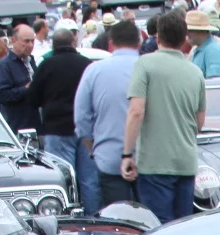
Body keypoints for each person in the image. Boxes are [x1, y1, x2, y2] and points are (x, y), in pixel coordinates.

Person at [122, 9, 207, 223]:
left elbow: (136, 111)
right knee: (183, 225)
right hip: (186, 161)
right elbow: (199, 122)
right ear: (184, 38)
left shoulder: (145, 64)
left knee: (157, 226)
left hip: (155, 162)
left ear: (157, 37)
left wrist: (127, 154)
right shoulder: (195, 72)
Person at [77, 16, 141, 211]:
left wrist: (92, 147)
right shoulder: (149, 68)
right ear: (139, 42)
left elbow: (81, 117)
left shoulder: (94, 71)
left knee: (118, 217)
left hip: (109, 156)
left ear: (111, 43)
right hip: (148, 157)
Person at [30, 27, 95, 208]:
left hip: (57, 129)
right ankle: (93, 216)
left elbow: (32, 98)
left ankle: (66, 217)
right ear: (73, 43)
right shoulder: (87, 65)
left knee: (61, 179)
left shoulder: (46, 66)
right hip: (86, 130)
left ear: (53, 45)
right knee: (90, 180)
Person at [0, 24, 40, 131]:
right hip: (17, 127)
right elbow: (0, 96)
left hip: (35, 125)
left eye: (32, 41)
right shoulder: (5, 65)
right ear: (14, 40)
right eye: (26, 41)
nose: (30, 45)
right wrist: (25, 90)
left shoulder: (31, 61)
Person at [187, 10, 220, 76]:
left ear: (200, 31)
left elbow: (214, 80)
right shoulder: (202, 49)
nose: (187, 33)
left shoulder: (213, 51)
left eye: (189, 30)